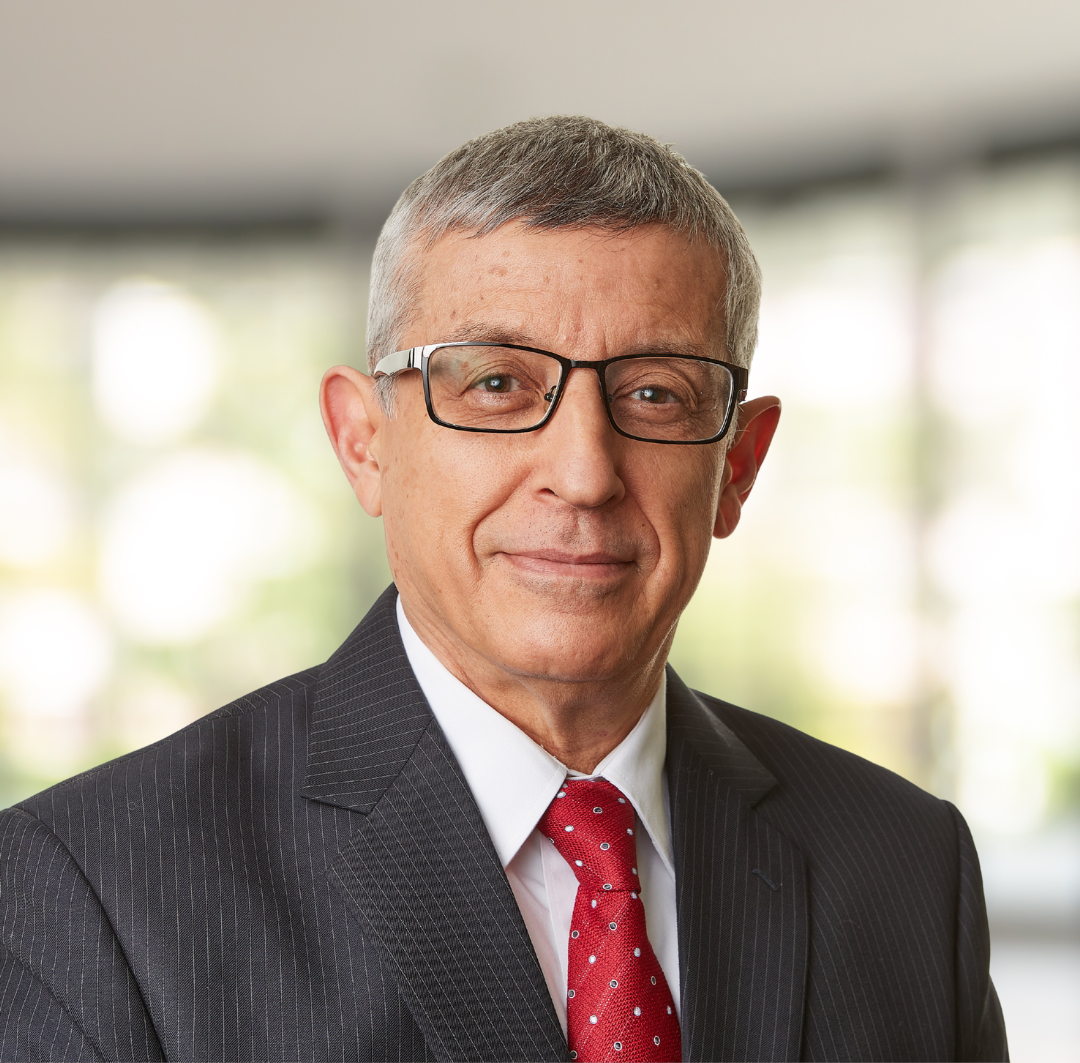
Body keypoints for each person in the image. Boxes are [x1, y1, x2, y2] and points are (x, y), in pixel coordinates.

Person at [0, 116, 1006, 1063]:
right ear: (364, 443)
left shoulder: (906, 866)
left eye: (655, 393)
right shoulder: (91, 889)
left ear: (738, 465)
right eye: (496, 385)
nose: (583, 471)